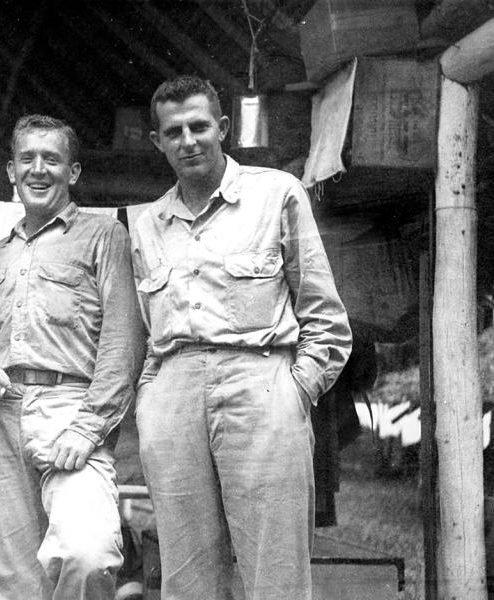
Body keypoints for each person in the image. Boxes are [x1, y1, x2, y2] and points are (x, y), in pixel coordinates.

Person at [130, 75, 352, 600]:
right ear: (157, 142)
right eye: (174, 131)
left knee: (273, 571)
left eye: (199, 126)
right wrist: (150, 400)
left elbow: (326, 318)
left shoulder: (276, 193)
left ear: (223, 128)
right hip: (174, 394)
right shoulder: (147, 225)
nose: (189, 140)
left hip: (262, 385)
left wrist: (293, 393)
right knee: (186, 576)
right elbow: (146, 331)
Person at [0, 114, 145, 599]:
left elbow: (123, 343)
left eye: (52, 159)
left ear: (74, 172)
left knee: (88, 555)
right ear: (10, 170)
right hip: (0, 419)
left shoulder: (105, 237)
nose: (38, 170)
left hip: (71, 410)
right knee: (7, 581)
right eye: (27, 159)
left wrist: (88, 427)